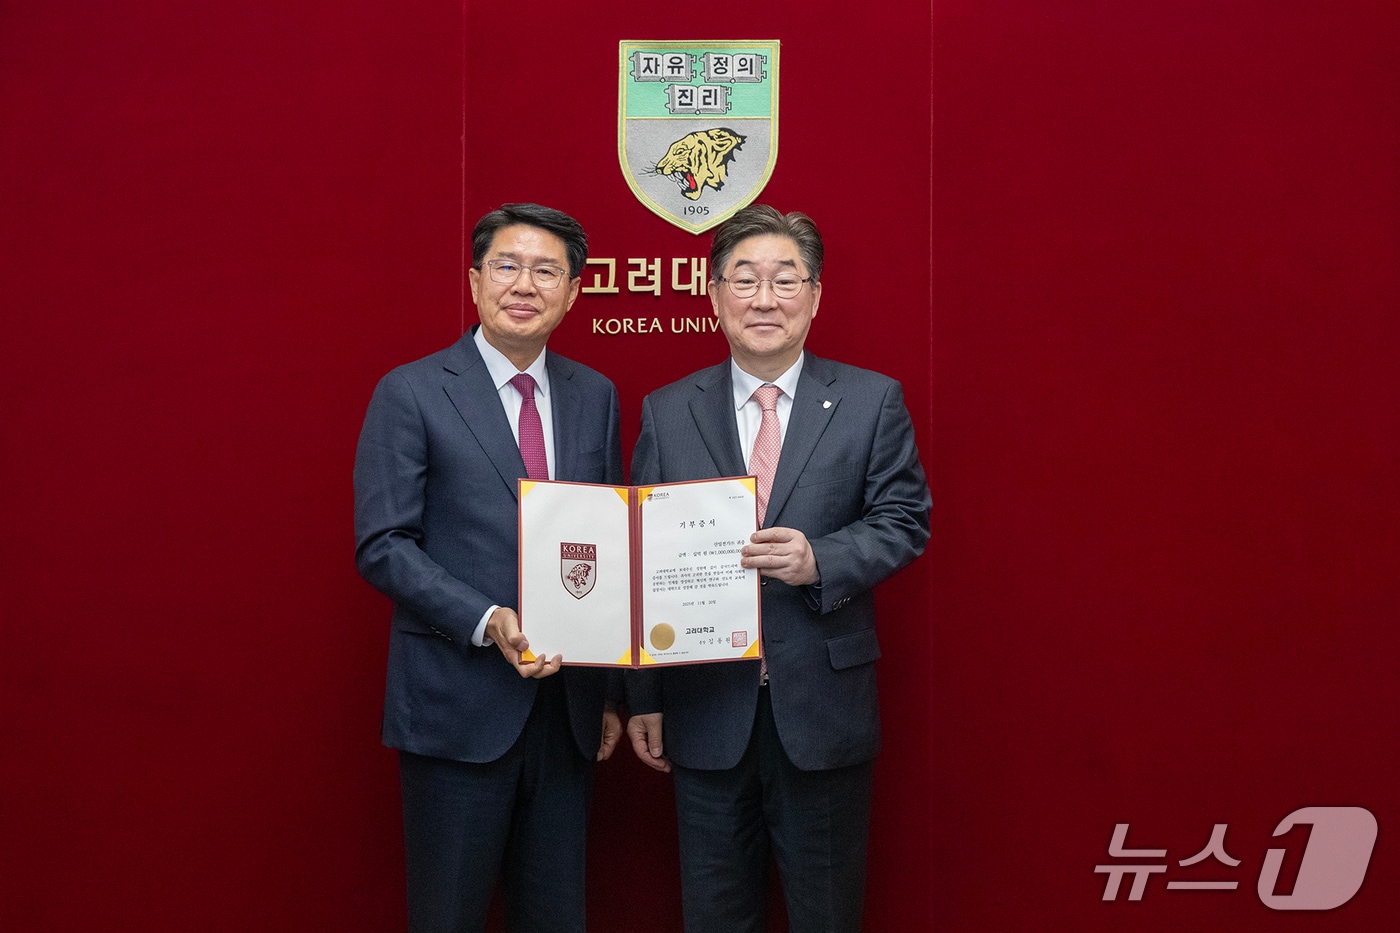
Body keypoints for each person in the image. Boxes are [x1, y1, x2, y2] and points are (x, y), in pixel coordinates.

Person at [625, 204, 931, 932]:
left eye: (785, 280)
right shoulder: (668, 411)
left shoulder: (870, 401)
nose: (764, 299)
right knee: (715, 914)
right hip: (705, 705)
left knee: (827, 915)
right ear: (714, 295)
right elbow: (640, 555)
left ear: (815, 296)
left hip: (822, 707)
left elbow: (904, 520)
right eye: (745, 280)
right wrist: (641, 696)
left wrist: (820, 558)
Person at [354, 203, 623, 933]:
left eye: (546, 271)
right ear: (475, 281)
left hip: (566, 711)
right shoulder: (411, 391)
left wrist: (609, 689)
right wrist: (486, 619)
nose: (524, 285)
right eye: (507, 266)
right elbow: (382, 543)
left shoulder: (595, 395)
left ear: (573, 292)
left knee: (555, 915)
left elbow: (606, 541)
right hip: (456, 704)